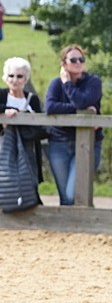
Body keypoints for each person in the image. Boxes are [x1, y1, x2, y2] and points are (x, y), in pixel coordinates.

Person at [44, 44, 104, 206]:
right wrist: (80, 110)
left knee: (73, 193)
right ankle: (68, 229)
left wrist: (67, 84)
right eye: (73, 59)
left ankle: (84, 222)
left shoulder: (93, 82)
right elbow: (50, 108)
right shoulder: (56, 84)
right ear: (64, 64)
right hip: (59, 143)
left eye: (81, 59)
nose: (78, 62)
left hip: (88, 143)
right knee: (65, 197)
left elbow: (82, 100)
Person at [0, 56, 43, 183]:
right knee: (5, 183)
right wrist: (7, 110)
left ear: (25, 79)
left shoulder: (32, 99)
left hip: (28, 147)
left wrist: (24, 115)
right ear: (6, 77)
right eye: (11, 75)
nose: (15, 80)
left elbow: (41, 125)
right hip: (5, 146)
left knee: (29, 184)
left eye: (19, 76)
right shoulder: (0, 94)